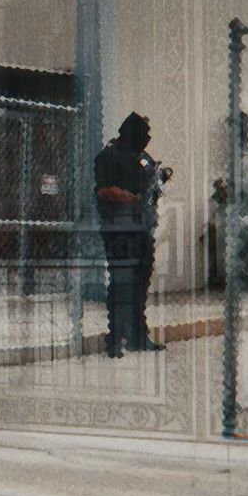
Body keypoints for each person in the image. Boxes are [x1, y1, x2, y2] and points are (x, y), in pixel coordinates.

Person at [94, 112, 171, 357]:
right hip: (120, 229)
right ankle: (115, 340)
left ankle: (138, 337)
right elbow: (105, 190)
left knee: (139, 285)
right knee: (121, 284)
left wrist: (161, 178)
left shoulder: (143, 158)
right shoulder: (110, 155)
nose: (148, 137)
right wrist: (133, 199)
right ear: (131, 132)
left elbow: (152, 176)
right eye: (144, 133)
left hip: (142, 229)